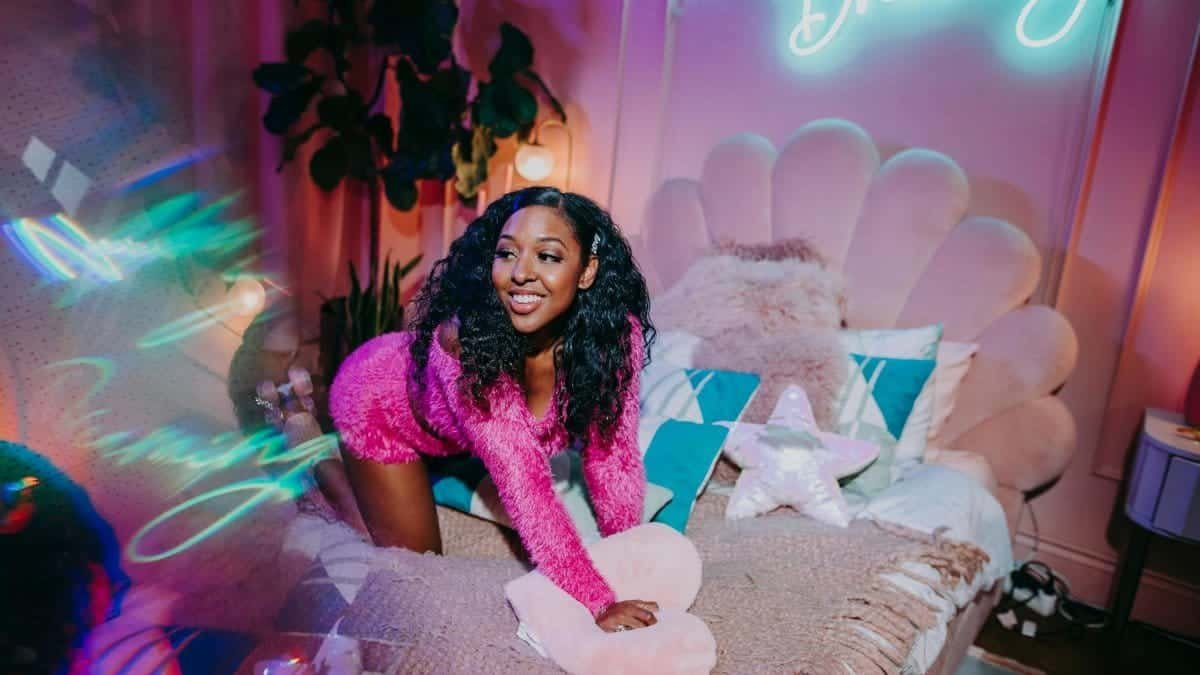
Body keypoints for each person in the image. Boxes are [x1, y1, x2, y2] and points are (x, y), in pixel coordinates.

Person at [329, 186, 660, 633]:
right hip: (377, 408)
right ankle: (325, 463)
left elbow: (611, 455)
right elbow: (527, 488)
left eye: (548, 256)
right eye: (507, 254)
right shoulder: (469, 349)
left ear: (587, 272)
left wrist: (625, 558)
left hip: (452, 435)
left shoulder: (617, 341)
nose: (521, 273)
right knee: (418, 571)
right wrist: (598, 602)